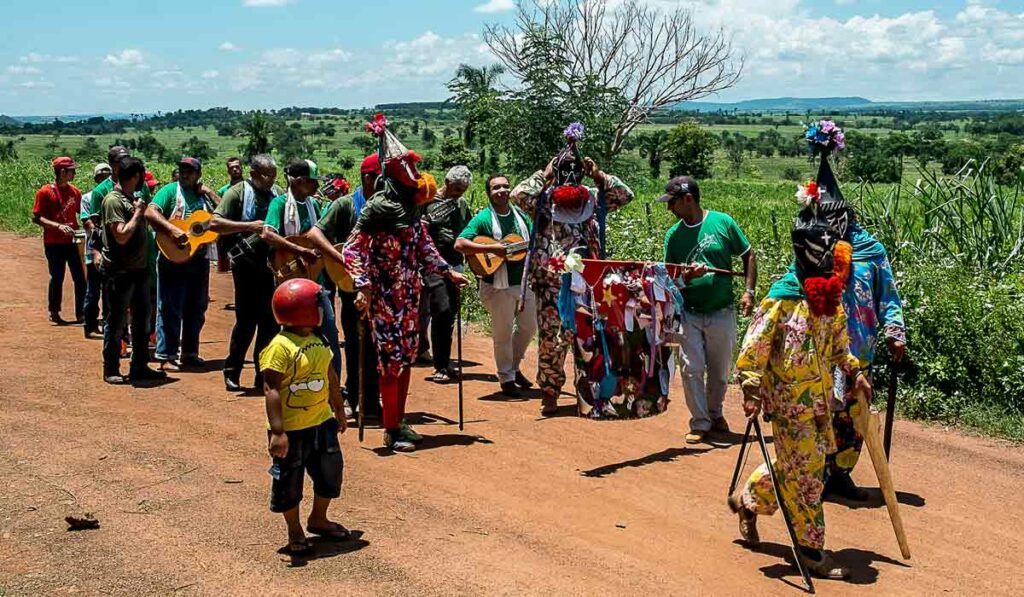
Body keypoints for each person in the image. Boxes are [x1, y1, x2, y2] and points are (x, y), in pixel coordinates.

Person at [728, 132, 870, 580]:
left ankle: (752, 498)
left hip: (821, 402)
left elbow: (840, 347)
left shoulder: (831, 302)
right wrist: (751, 389)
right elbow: (752, 353)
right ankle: (812, 551)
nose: (829, 259)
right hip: (787, 404)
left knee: (800, 467)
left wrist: (854, 370)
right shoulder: (782, 300)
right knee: (809, 474)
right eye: (821, 253)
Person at [343, 114, 469, 452]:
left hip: (411, 295)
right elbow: (352, 248)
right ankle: (390, 427)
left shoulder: (412, 210)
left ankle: (399, 420)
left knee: (406, 357)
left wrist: (446, 272)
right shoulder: (379, 208)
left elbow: (424, 246)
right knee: (390, 360)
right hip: (384, 298)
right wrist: (363, 285)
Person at [511, 125, 634, 415]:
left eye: (574, 169)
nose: (570, 174)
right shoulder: (543, 200)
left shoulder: (593, 198)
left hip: (588, 284)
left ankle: (591, 394)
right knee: (552, 340)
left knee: (589, 337)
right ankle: (550, 393)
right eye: (563, 169)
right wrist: (545, 173)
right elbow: (518, 193)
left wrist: (599, 175)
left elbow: (626, 194)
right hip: (553, 283)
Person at [661, 175, 758, 444]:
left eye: (673, 202)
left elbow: (748, 254)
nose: (669, 209)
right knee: (691, 367)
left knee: (719, 369)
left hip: (721, 310)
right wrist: (686, 277)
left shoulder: (722, 223)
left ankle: (715, 414)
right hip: (689, 311)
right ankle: (700, 422)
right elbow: (669, 278)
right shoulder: (674, 236)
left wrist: (749, 291)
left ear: (688, 199)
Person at [261, 278, 349, 556]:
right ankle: (294, 529)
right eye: (319, 305)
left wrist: (337, 409)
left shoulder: (318, 340)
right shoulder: (280, 346)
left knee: (330, 471)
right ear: (304, 311)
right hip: (291, 429)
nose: (324, 310)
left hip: (321, 422)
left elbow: (331, 377)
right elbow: (271, 389)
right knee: (289, 480)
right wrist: (277, 432)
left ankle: (318, 518)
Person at [211, 154, 302, 391]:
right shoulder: (238, 193)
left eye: (273, 176)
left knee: (270, 323)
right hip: (246, 265)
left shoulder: (277, 194)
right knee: (246, 321)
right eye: (266, 176)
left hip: (272, 266)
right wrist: (249, 226)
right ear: (253, 174)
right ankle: (232, 371)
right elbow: (215, 223)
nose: (271, 181)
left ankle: (263, 375)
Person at [305, 176, 382, 419]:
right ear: (368, 178)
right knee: (355, 340)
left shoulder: (386, 204)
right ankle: (353, 396)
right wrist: (341, 258)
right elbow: (314, 234)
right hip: (350, 284)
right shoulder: (345, 205)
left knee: (376, 344)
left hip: (381, 285)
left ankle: (371, 400)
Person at [455, 173, 537, 397]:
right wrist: (493, 250)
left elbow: (534, 242)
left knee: (530, 326)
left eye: (505, 187)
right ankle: (506, 378)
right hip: (497, 285)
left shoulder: (521, 216)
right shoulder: (483, 219)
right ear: (488, 193)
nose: (501, 191)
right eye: (496, 187)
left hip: (523, 283)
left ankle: (514, 366)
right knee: (502, 332)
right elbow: (460, 243)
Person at [264, 159, 342, 378]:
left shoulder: (314, 205)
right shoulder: (279, 204)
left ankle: (331, 385)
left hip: (317, 282)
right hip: (291, 284)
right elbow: (267, 234)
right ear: (299, 182)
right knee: (293, 335)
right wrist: (300, 251)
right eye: (313, 182)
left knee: (328, 335)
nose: (318, 187)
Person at [145, 157, 220, 368]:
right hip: (173, 258)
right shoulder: (169, 191)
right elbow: (150, 212)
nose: (185, 174)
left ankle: (189, 352)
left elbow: (224, 213)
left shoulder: (201, 195)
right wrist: (172, 230)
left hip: (199, 258)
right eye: (182, 170)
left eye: (190, 171)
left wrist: (208, 192)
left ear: (198, 174)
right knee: (169, 305)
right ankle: (166, 354)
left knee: (196, 307)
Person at [99, 156, 166, 384]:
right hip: (119, 272)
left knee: (142, 322)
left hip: (138, 270)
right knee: (116, 322)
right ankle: (111, 369)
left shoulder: (130, 199)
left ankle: (139, 366)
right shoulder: (114, 201)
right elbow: (121, 234)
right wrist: (138, 212)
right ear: (136, 176)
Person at [419, 165, 473, 382]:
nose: (458, 193)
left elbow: (469, 230)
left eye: (462, 190)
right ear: (447, 182)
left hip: (455, 264)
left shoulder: (461, 204)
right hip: (433, 265)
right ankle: (439, 364)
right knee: (440, 309)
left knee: (448, 314)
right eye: (456, 189)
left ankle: (443, 362)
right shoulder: (427, 201)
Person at [32, 156, 86, 326]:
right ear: (62, 172)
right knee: (57, 276)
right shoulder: (45, 192)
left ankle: (81, 313)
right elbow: (37, 218)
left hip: (72, 241)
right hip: (54, 242)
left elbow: (82, 213)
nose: (74, 173)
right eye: (71, 170)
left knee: (80, 276)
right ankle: (54, 311)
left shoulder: (75, 192)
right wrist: (57, 226)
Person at [81, 163, 112, 337]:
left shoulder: (113, 196)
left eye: (107, 175)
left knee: (108, 292)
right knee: (93, 291)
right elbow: (87, 222)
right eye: (102, 176)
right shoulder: (87, 198)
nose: (105, 179)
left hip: (109, 251)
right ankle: (90, 325)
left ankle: (108, 326)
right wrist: (103, 234)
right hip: (93, 249)